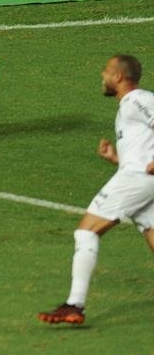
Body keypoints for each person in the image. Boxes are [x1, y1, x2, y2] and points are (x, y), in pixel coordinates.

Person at [38, 54, 154, 326]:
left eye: (106, 71)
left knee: (86, 231)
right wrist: (117, 158)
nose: (102, 76)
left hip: (137, 179)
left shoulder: (136, 100)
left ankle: (74, 305)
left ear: (118, 77)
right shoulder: (130, 105)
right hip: (141, 178)